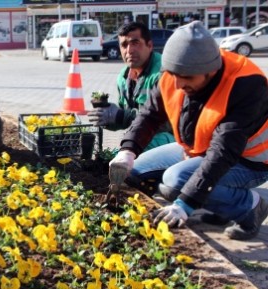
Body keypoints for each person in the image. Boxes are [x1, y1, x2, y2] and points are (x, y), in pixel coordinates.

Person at [108, 21, 268, 241]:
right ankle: (222, 207)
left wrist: (185, 204)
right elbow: (149, 115)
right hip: (199, 150)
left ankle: (250, 206)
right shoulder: (173, 74)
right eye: (174, 75)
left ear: (211, 71)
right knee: (135, 172)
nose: (179, 84)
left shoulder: (245, 85)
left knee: (175, 183)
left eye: (188, 78)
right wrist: (128, 150)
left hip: (249, 161)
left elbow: (222, 152)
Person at [88, 22, 174, 152]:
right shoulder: (123, 78)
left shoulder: (163, 74)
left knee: (129, 154)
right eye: (124, 45)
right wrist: (107, 117)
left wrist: (122, 116)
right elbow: (125, 119)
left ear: (149, 45)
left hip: (173, 140)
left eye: (135, 43)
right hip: (142, 136)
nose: (129, 50)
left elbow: (166, 123)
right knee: (112, 157)